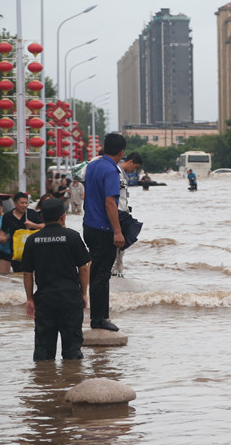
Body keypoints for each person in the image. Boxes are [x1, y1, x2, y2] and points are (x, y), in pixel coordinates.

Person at [21, 197, 91, 361]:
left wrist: (30, 299)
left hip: (45, 301)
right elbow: (84, 267)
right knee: (72, 351)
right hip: (70, 299)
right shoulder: (72, 236)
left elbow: (27, 273)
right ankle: (71, 381)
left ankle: (45, 382)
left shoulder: (33, 240)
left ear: (42, 217)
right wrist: (84, 293)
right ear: (63, 217)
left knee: (43, 352)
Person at [83, 131, 126, 332]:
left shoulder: (92, 165)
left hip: (89, 226)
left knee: (97, 273)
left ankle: (98, 316)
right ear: (122, 152)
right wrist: (117, 231)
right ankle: (99, 319)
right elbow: (110, 202)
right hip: (103, 229)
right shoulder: (111, 171)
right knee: (101, 275)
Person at [112, 152, 144, 278]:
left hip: (123, 213)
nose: (133, 171)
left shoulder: (124, 176)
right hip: (117, 214)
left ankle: (118, 272)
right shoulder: (116, 173)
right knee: (118, 245)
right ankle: (114, 272)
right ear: (130, 162)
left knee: (123, 245)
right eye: (135, 167)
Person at [0, 192, 45, 274]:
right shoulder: (8, 216)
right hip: (16, 254)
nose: (25, 205)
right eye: (22, 203)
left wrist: (33, 225)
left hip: (32, 253)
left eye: (26, 203)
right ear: (15, 203)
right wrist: (2, 238)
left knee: (32, 275)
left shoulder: (31, 213)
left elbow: (44, 226)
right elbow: (3, 231)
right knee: (18, 277)